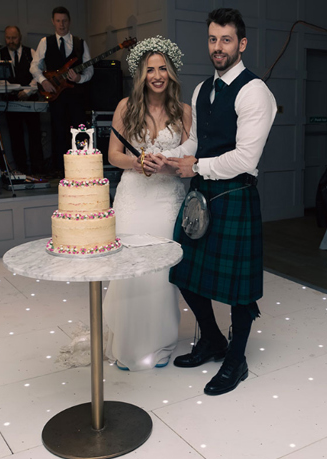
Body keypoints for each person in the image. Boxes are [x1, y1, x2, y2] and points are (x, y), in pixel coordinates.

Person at [164, 8, 277, 396]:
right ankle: (213, 340)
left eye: (226, 39)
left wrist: (196, 164)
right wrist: (172, 156)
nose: (218, 47)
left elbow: (246, 158)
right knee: (185, 273)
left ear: (241, 44)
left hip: (235, 195)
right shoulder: (200, 90)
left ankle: (237, 359)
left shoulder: (255, 91)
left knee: (238, 289)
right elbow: (197, 142)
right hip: (203, 192)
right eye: (213, 39)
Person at [102, 36, 191, 371]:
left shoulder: (185, 113)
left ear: (171, 72)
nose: (157, 75)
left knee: (161, 272)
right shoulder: (126, 107)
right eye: (150, 69)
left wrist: (167, 164)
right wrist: (138, 163)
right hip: (133, 198)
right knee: (130, 269)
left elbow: (188, 163)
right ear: (141, 73)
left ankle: (162, 341)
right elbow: (113, 155)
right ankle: (126, 343)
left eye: (162, 68)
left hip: (167, 199)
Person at [30, 6, 93, 179]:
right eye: (58, 20)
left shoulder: (80, 43)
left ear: (69, 21)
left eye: (64, 20)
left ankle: (81, 169)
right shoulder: (45, 42)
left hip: (76, 95)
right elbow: (34, 66)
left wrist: (79, 79)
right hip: (56, 94)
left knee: (80, 130)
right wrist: (43, 81)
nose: (61, 24)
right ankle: (61, 171)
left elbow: (90, 70)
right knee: (58, 131)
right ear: (53, 22)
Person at [0, 26, 44, 175]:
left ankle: (38, 169)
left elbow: (38, 74)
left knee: (35, 135)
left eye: (14, 38)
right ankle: (21, 170)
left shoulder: (31, 53)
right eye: (8, 38)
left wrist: (27, 91)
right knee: (16, 136)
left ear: (20, 37)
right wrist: (13, 89)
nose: (11, 41)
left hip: (30, 99)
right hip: (10, 100)